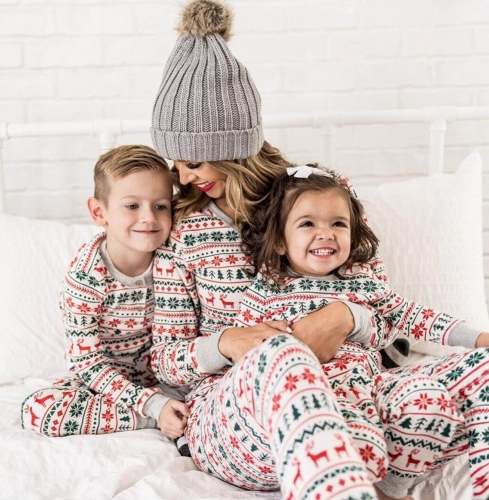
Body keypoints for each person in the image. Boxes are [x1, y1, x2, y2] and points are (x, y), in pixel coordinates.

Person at [150, 1, 393, 498]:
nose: (184, 179)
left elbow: (389, 313)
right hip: (232, 413)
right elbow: (165, 360)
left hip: (345, 394)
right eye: (176, 165)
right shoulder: (183, 230)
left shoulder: (319, 196)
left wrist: (344, 317)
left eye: (194, 162)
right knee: (281, 357)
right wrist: (226, 343)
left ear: (231, 151)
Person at [236, 164, 489, 499]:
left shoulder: (362, 284)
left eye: (338, 224)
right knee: (365, 447)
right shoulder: (266, 292)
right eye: (308, 223)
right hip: (320, 399)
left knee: (429, 401)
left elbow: (416, 316)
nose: (326, 233)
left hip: (372, 388)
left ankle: (392, 490)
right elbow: (245, 355)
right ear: (280, 242)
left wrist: (478, 338)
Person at [21, 145, 190, 448]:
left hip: (168, 374)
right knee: (39, 410)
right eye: (132, 206)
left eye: (161, 206)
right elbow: (88, 364)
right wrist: (151, 404)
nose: (148, 217)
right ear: (99, 212)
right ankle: (157, 416)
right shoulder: (86, 278)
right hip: (105, 381)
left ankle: (175, 407)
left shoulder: (176, 256)